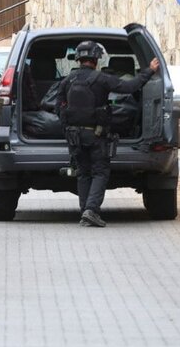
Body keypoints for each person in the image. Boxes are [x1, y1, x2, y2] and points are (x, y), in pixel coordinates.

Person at [54, 40, 160, 227]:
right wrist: (149, 71)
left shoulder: (67, 81)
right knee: (100, 172)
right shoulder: (102, 79)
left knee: (83, 173)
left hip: (74, 136)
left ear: (78, 59)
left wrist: (67, 129)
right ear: (96, 59)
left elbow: (59, 108)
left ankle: (85, 212)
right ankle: (91, 210)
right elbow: (130, 87)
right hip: (96, 136)